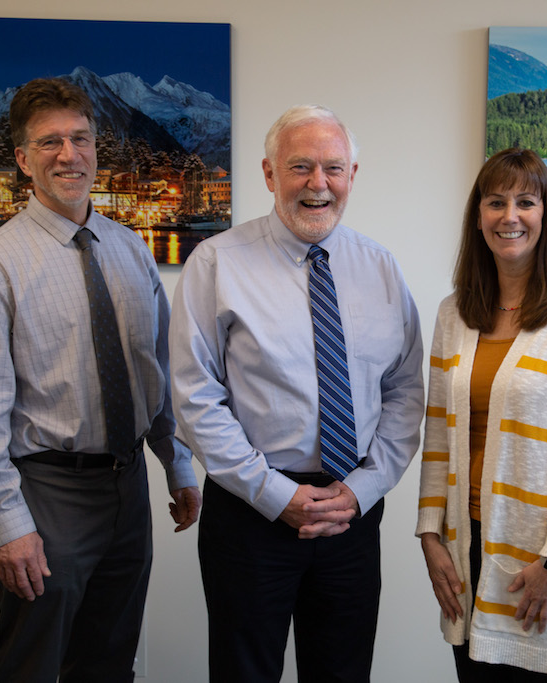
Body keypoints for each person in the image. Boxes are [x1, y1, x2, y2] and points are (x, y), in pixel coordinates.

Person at [0, 78, 201, 683]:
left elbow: (155, 369)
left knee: (111, 662)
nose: (69, 154)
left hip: (129, 486)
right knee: (30, 665)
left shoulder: (131, 249)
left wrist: (178, 465)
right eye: (50, 141)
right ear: (22, 158)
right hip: (46, 493)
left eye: (80, 138)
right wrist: (8, 528)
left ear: (95, 148)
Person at [169, 104, 424, 682]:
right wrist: (272, 493)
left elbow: (405, 392)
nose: (318, 184)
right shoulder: (217, 263)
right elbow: (193, 395)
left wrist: (364, 489)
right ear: (268, 174)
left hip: (351, 512)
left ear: (353, 175)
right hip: (252, 511)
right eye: (300, 166)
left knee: (343, 672)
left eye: (333, 168)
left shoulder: (381, 268)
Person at [417, 148, 547, 681]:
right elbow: (438, 431)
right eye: (495, 202)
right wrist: (430, 535)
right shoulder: (453, 313)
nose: (510, 216)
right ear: (477, 215)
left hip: (541, 558)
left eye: (525, 202)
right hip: (466, 545)